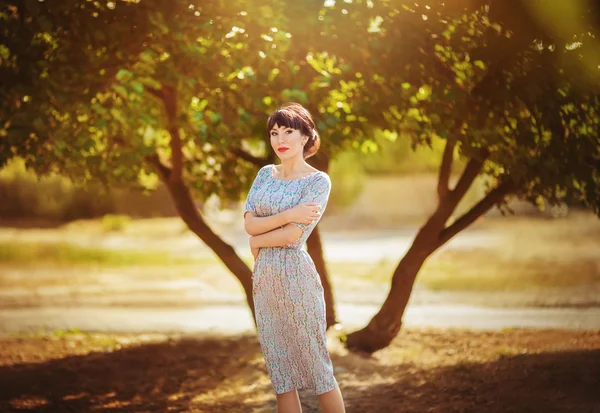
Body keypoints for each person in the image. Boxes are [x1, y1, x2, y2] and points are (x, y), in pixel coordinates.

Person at [243, 103, 346, 413]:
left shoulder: (318, 182)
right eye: (275, 133)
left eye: (289, 131)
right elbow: (249, 223)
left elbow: (292, 236)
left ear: (305, 137)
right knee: (281, 373)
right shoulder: (264, 174)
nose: (280, 139)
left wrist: (257, 239)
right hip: (264, 280)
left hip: (296, 277)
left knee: (318, 368)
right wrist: (287, 216)